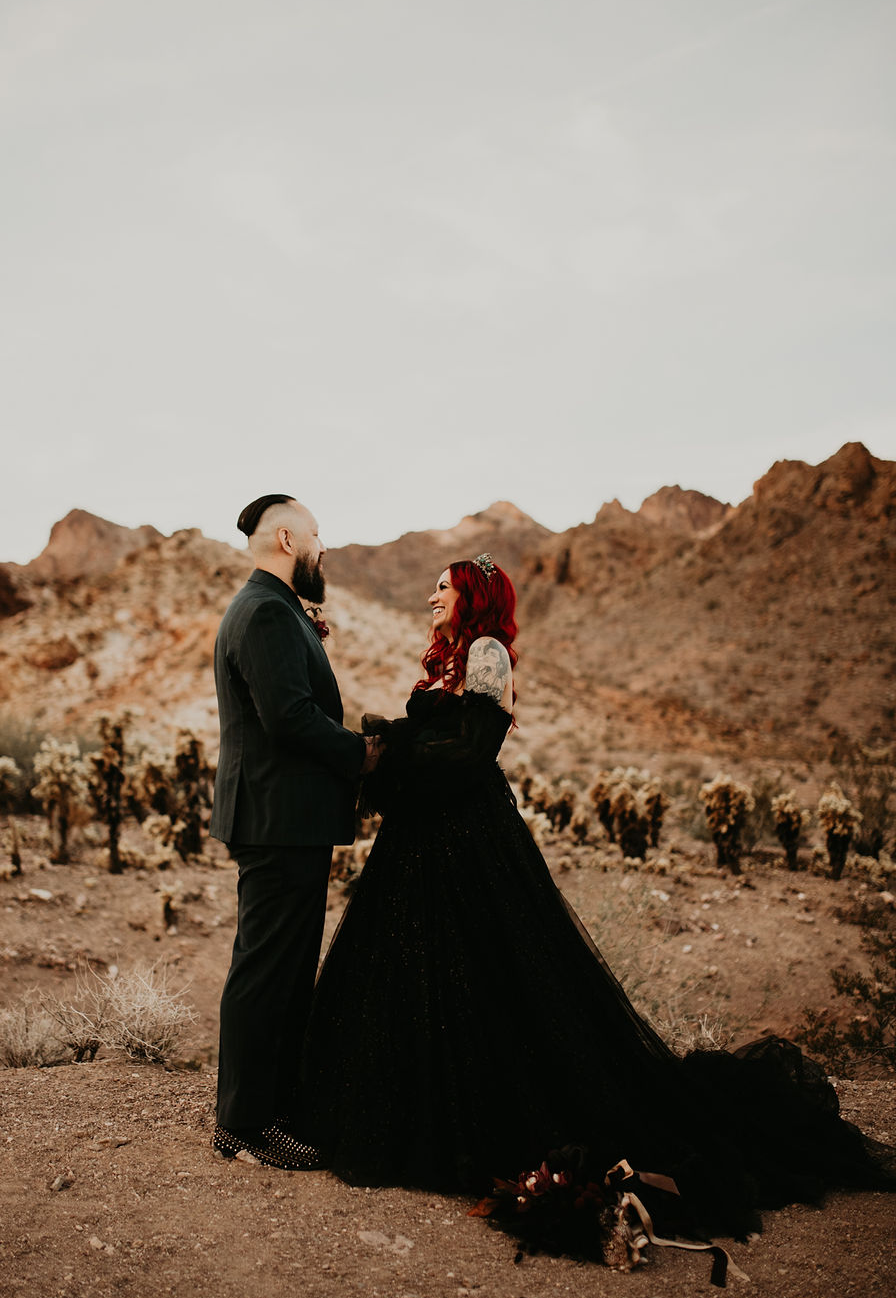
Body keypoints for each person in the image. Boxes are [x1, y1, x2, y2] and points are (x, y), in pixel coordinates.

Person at [295, 553, 896, 1259]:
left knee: (493, 980)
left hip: (468, 844)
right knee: (422, 976)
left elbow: (468, 758)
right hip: (428, 847)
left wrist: (389, 753)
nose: (431, 596)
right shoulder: (452, 658)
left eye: (444, 587)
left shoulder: (487, 654)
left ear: (475, 597)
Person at [210, 494, 379, 1170]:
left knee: (277, 969)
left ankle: (264, 1109)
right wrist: (365, 755)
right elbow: (290, 721)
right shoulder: (265, 613)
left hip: (283, 817)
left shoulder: (274, 612)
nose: (323, 547)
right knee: (268, 972)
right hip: (279, 820)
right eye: (315, 535)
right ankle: (245, 1126)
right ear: (286, 539)